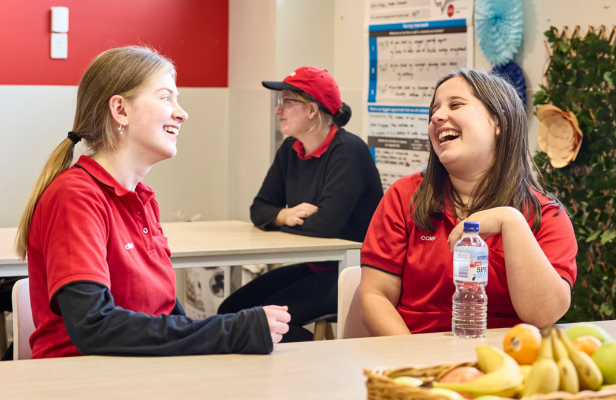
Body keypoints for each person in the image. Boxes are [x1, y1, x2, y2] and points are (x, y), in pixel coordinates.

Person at [15, 46, 290, 359]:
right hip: (82, 380)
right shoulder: (75, 196)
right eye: (165, 98)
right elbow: (93, 326)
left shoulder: (143, 198)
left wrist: (229, 333)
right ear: (120, 111)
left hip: (140, 371)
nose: (181, 112)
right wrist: (233, 330)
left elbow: (167, 313)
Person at [359, 69, 577, 336]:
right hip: (414, 360)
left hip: (506, 363)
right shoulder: (404, 196)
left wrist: (511, 222)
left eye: (456, 104)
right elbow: (375, 297)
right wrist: (415, 363)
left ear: (501, 123)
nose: (437, 117)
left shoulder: (547, 214)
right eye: (434, 111)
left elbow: (542, 315)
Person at [218, 67, 383, 342]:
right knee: (231, 311)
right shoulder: (290, 148)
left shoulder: (349, 151)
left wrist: (279, 219)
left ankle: (311, 375)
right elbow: (259, 209)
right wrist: (284, 215)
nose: (277, 110)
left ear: (311, 110)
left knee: (263, 324)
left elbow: (327, 225)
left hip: (352, 274)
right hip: (316, 265)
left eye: (287, 102)